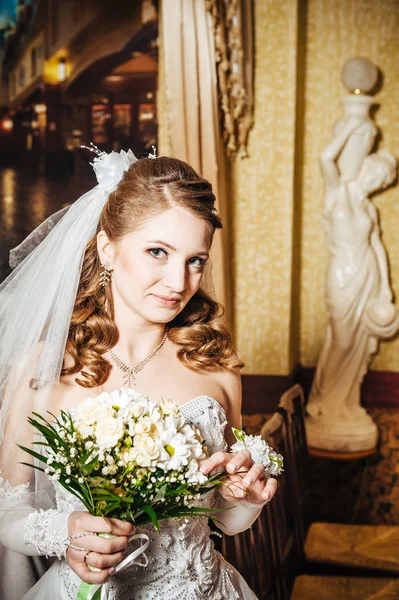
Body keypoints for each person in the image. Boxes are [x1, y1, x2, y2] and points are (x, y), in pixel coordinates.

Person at [0, 149, 277, 600]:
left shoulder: (216, 368)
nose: (178, 281)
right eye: (157, 252)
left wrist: (245, 498)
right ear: (108, 249)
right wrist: (63, 531)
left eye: (195, 260)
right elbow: (7, 510)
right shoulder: (45, 368)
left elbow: (223, 520)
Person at [307, 118, 398, 424]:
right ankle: (322, 399)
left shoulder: (369, 208)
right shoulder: (337, 192)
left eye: (384, 181)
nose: (378, 182)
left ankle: (345, 402)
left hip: (368, 276)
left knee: (359, 345)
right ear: (365, 167)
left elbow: (376, 247)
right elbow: (325, 158)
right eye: (376, 174)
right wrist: (351, 128)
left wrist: (385, 287)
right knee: (343, 341)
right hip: (342, 276)